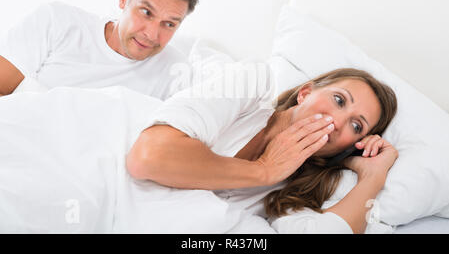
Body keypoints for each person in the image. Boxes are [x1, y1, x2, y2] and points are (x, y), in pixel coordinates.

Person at [126, 67, 398, 233]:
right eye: (338, 100)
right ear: (305, 93)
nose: (337, 123)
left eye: (356, 126)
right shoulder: (251, 86)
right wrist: (264, 169)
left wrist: (373, 176)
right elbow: (147, 158)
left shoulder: (293, 192)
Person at [0, 0, 199, 99]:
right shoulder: (56, 21)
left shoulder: (176, 71)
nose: (151, 34)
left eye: (169, 24)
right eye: (146, 12)